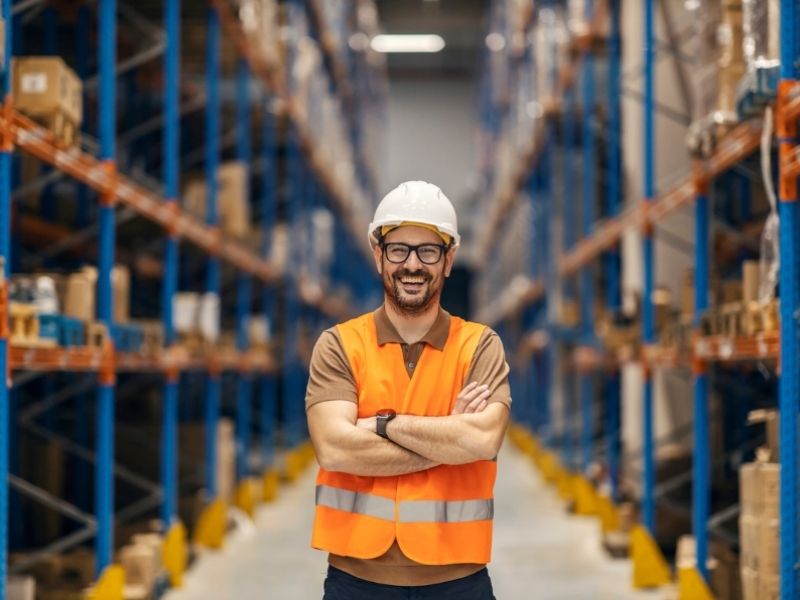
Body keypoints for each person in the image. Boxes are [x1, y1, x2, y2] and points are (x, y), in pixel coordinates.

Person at [305, 180, 511, 599]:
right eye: (399, 249)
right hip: (356, 580)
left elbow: (483, 439)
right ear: (379, 256)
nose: (412, 265)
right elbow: (335, 448)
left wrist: (380, 425)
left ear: (449, 260)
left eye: (428, 251)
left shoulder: (479, 345)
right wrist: (448, 437)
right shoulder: (340, 344)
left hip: (459, 580)